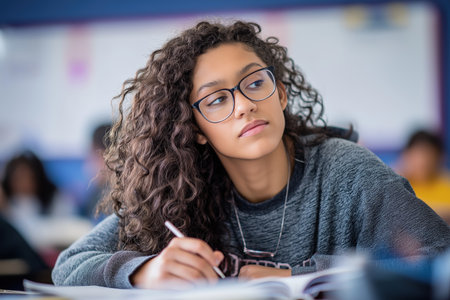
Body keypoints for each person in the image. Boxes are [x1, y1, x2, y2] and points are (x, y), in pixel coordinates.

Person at [52, 20, 450, 289]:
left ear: (279, 94)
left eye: (254, 83)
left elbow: (438, 259)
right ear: (197, 130)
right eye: (216, 99)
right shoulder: (180, 191)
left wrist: (294, 275)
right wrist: (143, 271)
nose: (243, 105)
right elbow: (68, 266)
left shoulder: (346, 172)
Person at [396, 130, 450, 224]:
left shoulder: (446, 184)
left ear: (439, 157)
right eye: (417, 156)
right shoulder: (399, 186)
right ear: (406, 156)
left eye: (428, 155)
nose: (422, 162)